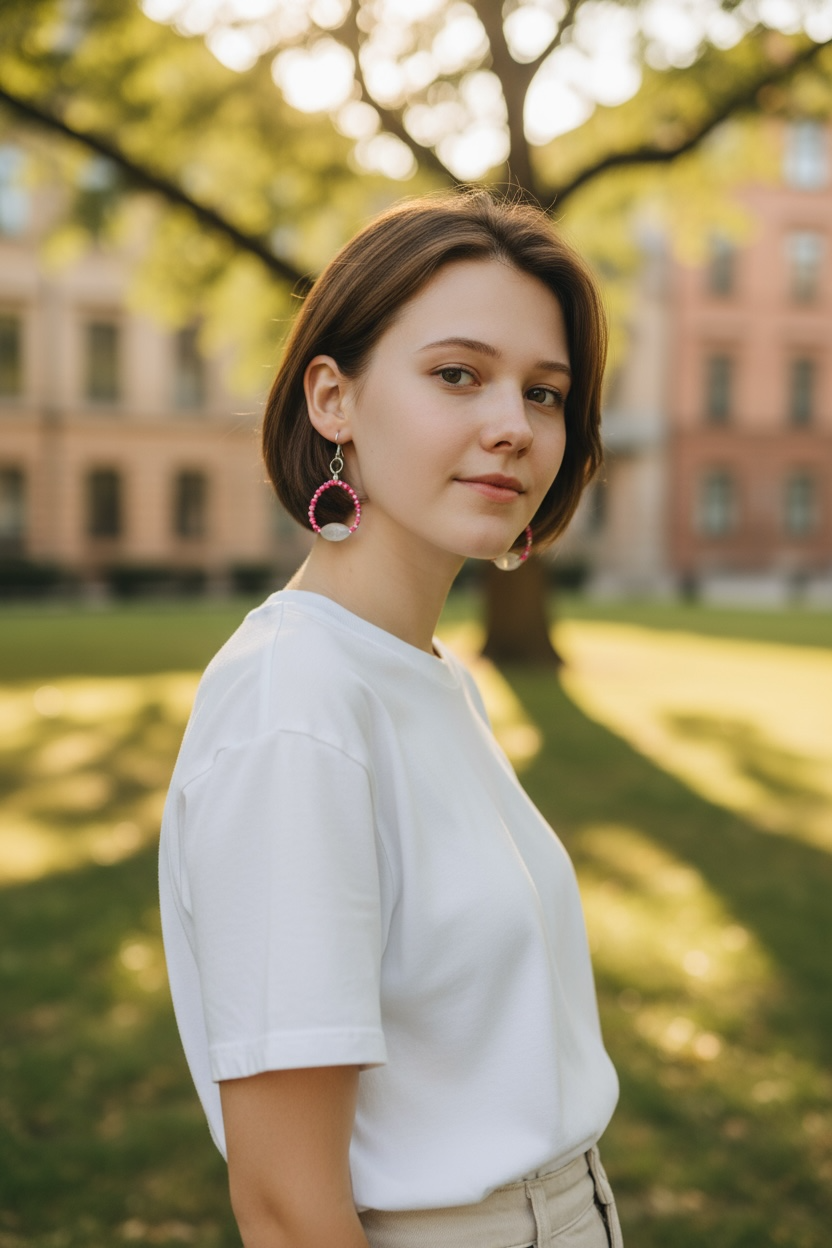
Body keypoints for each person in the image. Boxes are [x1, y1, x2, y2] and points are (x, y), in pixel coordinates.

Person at [159, 190, 623, 1248]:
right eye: (457, 373)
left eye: (544, 393)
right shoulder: (299, 705)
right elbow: (284, 1203)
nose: (512, 423)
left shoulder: (422, 671)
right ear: (333, 397)